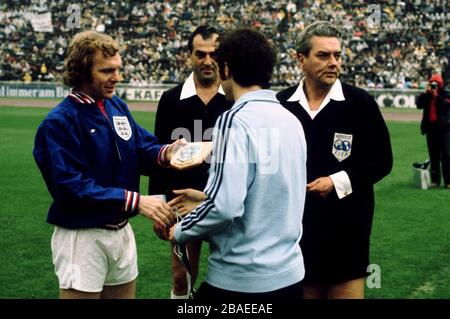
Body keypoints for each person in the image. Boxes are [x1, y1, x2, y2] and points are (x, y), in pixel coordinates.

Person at [33, 31, 183, 299]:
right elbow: (70, 187)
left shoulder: (115, 106)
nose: (117, 77)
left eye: (117, 69)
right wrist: (136, 201)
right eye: (106, 70)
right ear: (80, 71)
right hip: (82, 236)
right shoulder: (60, 122)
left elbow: (140, 146)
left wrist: (167, 152)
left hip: (121, 231)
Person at [168, 28, 308, 301]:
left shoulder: (234, 120)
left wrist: (181, 230)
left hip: (241, 280)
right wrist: (207, 197)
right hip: (290, 276)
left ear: (227, 68)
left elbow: (226, 207)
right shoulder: (291, 120)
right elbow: (269, 190)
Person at [276, 21, 393, 299]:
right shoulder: (280, 105)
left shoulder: (359, 103)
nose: (333, 63)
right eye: (323, 55)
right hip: (296, 232)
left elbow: (381, 160)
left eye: (337, 56)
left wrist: (336, 181)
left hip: (347, 231)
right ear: (300, 59)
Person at [148, 26, 232, 299]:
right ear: (189, 56)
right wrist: (158, 206)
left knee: (230, 278)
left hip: (226, 202)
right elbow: (157, 154)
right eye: (200, 54)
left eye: (214, 54)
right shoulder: (171, 99)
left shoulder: (234, 99)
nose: (207, 60)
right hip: (182, 203)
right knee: (181, 278)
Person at [416, 74, 450, 188]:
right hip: (431, 129)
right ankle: (435, 181)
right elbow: (419, 105)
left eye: (436, 84)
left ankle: (448, 181)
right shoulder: (427, 96)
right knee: (433, 156)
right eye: (432, 84)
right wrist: (425, 93)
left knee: (446, 155)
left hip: (444, 129)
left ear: (440, 85)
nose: (434, 86)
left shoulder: (445, 94)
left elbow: (446, 105)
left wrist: (437, 96)